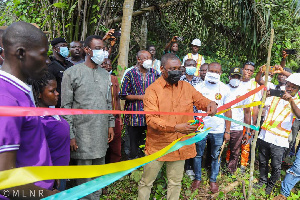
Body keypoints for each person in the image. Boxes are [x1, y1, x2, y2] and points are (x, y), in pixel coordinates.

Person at [138, 53, 218, 200]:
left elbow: (202, 100)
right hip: (158, 146)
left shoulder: (186, 87)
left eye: (178, 68)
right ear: (162, 69)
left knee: (175, 182)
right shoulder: (153, 90)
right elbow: (151, 120)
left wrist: (211, 104)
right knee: (146, 182)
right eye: (172, 69)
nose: (177, 72)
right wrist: (175, 127)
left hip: (179, 145)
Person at [0, 21, 57, 199]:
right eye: (43, 54)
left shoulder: (18, 91)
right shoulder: (7, 100)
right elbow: (4, 181)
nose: (48, 61)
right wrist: (47, 195)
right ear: (21, 54)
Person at [61, 35, 115, 200]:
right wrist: (71, 135)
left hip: (101, 131)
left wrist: (110, 125)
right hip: (82, 133)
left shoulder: (105, 75)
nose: (102, 52)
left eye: (103, 48)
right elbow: (65, 107)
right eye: (98, 48)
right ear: (87, 50)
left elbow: (108, 102)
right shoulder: (72, 73)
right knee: (84, 179)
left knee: (98, 174)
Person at [256, 73, 300, 195]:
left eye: (293, 87)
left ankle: (270, 186)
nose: (290, 89)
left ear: (298, 89)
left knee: (276, 166)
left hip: (279, 140)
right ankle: (262, 181)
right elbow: (262, 103)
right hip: (265, 135)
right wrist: (266, 95)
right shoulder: (277, 94)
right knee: (263, 161)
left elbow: (299, 115)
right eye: (288, 85)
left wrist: (290, 100)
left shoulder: (297, 101)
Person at [192, 62, 232, 193]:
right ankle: (197, 178)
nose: (214, 74)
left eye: (217, 72)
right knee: (198, 155)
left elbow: (228, 110)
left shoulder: (225, 89)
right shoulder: (198, 87)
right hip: (201, 128)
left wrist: (227, 130)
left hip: (218, 130)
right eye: (211, 71)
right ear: (206, 71)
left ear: (220, 73)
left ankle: (213, 180)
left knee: (216, 156)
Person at [29, 71, 70, 191]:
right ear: (38, 94)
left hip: (60, 173)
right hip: (50, 178)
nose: (57, 94)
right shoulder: (40, 122)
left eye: (56, 90)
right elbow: (37, 154)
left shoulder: (52, 114)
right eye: (52, 91)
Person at [119, 50, 160, 159]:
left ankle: (147, 166)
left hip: (151, 116)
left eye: (150, 58)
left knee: (149, 143)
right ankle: (132, 167)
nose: (149, 61)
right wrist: (141, 97)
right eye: (146, 58)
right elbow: (123, 94)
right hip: (134, 116)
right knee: (133, 144)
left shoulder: (155, 74)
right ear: (139, 60)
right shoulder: (130, 74)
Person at [225, 67, 251, 174]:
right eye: (233, 76)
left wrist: (248, 130)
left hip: (237, 126)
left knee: (235, 150)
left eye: (238, 77)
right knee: (218, 149)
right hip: (222, 126)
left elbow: (247, 112)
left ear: (241, 78)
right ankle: (216, 167)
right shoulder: (223, 88)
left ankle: (230, 171)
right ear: (229, 77)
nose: (235, 78)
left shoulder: (244, 92)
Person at [180, 58, 203, 180]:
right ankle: (184, 166)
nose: (191, 67)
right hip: (183, 117)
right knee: (184, 141)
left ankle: (191, 168)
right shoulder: (179, 80)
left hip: (197, 117)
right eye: (188, 65)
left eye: (193, 65)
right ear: (184, 66)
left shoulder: (199, 81)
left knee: (194, 142)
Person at [239, 61, 260, 173]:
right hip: (235, 118)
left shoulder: (254, 85)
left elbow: (256, 106)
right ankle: (229, 162)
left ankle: (243, 165)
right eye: (247, 69)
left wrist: (253, 123)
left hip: (248, 119)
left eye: (251, 71)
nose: (248, 72)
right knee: (234, 142)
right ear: (242, 69)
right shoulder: (236, 81)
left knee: (246, 142)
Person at [103, 58, 123, 163]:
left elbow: (117, 99)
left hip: (115, 118)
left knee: (116, 147)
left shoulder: (114, 79)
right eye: (104, 64)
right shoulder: (96, 79)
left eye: (109, 64)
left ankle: (115, 172)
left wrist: (120, 118)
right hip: (102, 119)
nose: (107, 66)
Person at [48, 37, 73, 108]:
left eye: (66, 46)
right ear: (55, 49)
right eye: (62, 46)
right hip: (58, 103)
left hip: (70, 102)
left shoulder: (70, 64)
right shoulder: (51, 66)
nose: (65, 48)